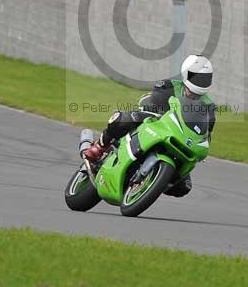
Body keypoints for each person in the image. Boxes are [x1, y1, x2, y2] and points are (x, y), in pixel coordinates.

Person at [82, 55, 216, 198]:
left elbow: (205, 130)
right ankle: (99, 147)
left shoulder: (209, 106)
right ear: (186, 73)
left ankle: (153, 180)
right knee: (124, 119)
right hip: (155, 121)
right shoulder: (169, 86)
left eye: (204, 78)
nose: (200, 82)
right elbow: (153, 100)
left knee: (183, 187)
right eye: (196, 77)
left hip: (178, 135)